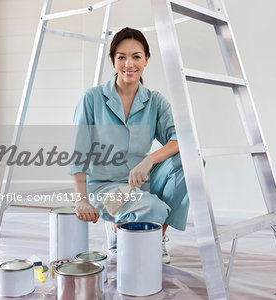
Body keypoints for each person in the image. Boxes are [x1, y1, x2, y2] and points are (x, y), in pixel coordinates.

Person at [68, 27, 189, 264]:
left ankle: (155, 236)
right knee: (152, 207)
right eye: (121, 57)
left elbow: (181, 139)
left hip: (138, 183)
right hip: (104, 187)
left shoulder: (155, 101)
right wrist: (81, 199)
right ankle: (120, 225)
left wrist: (149, 160)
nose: (128, 64)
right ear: (113, 60)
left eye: (136, 56)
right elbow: (78, 153)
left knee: (192, 161)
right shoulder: (91, 99)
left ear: (146, 60)